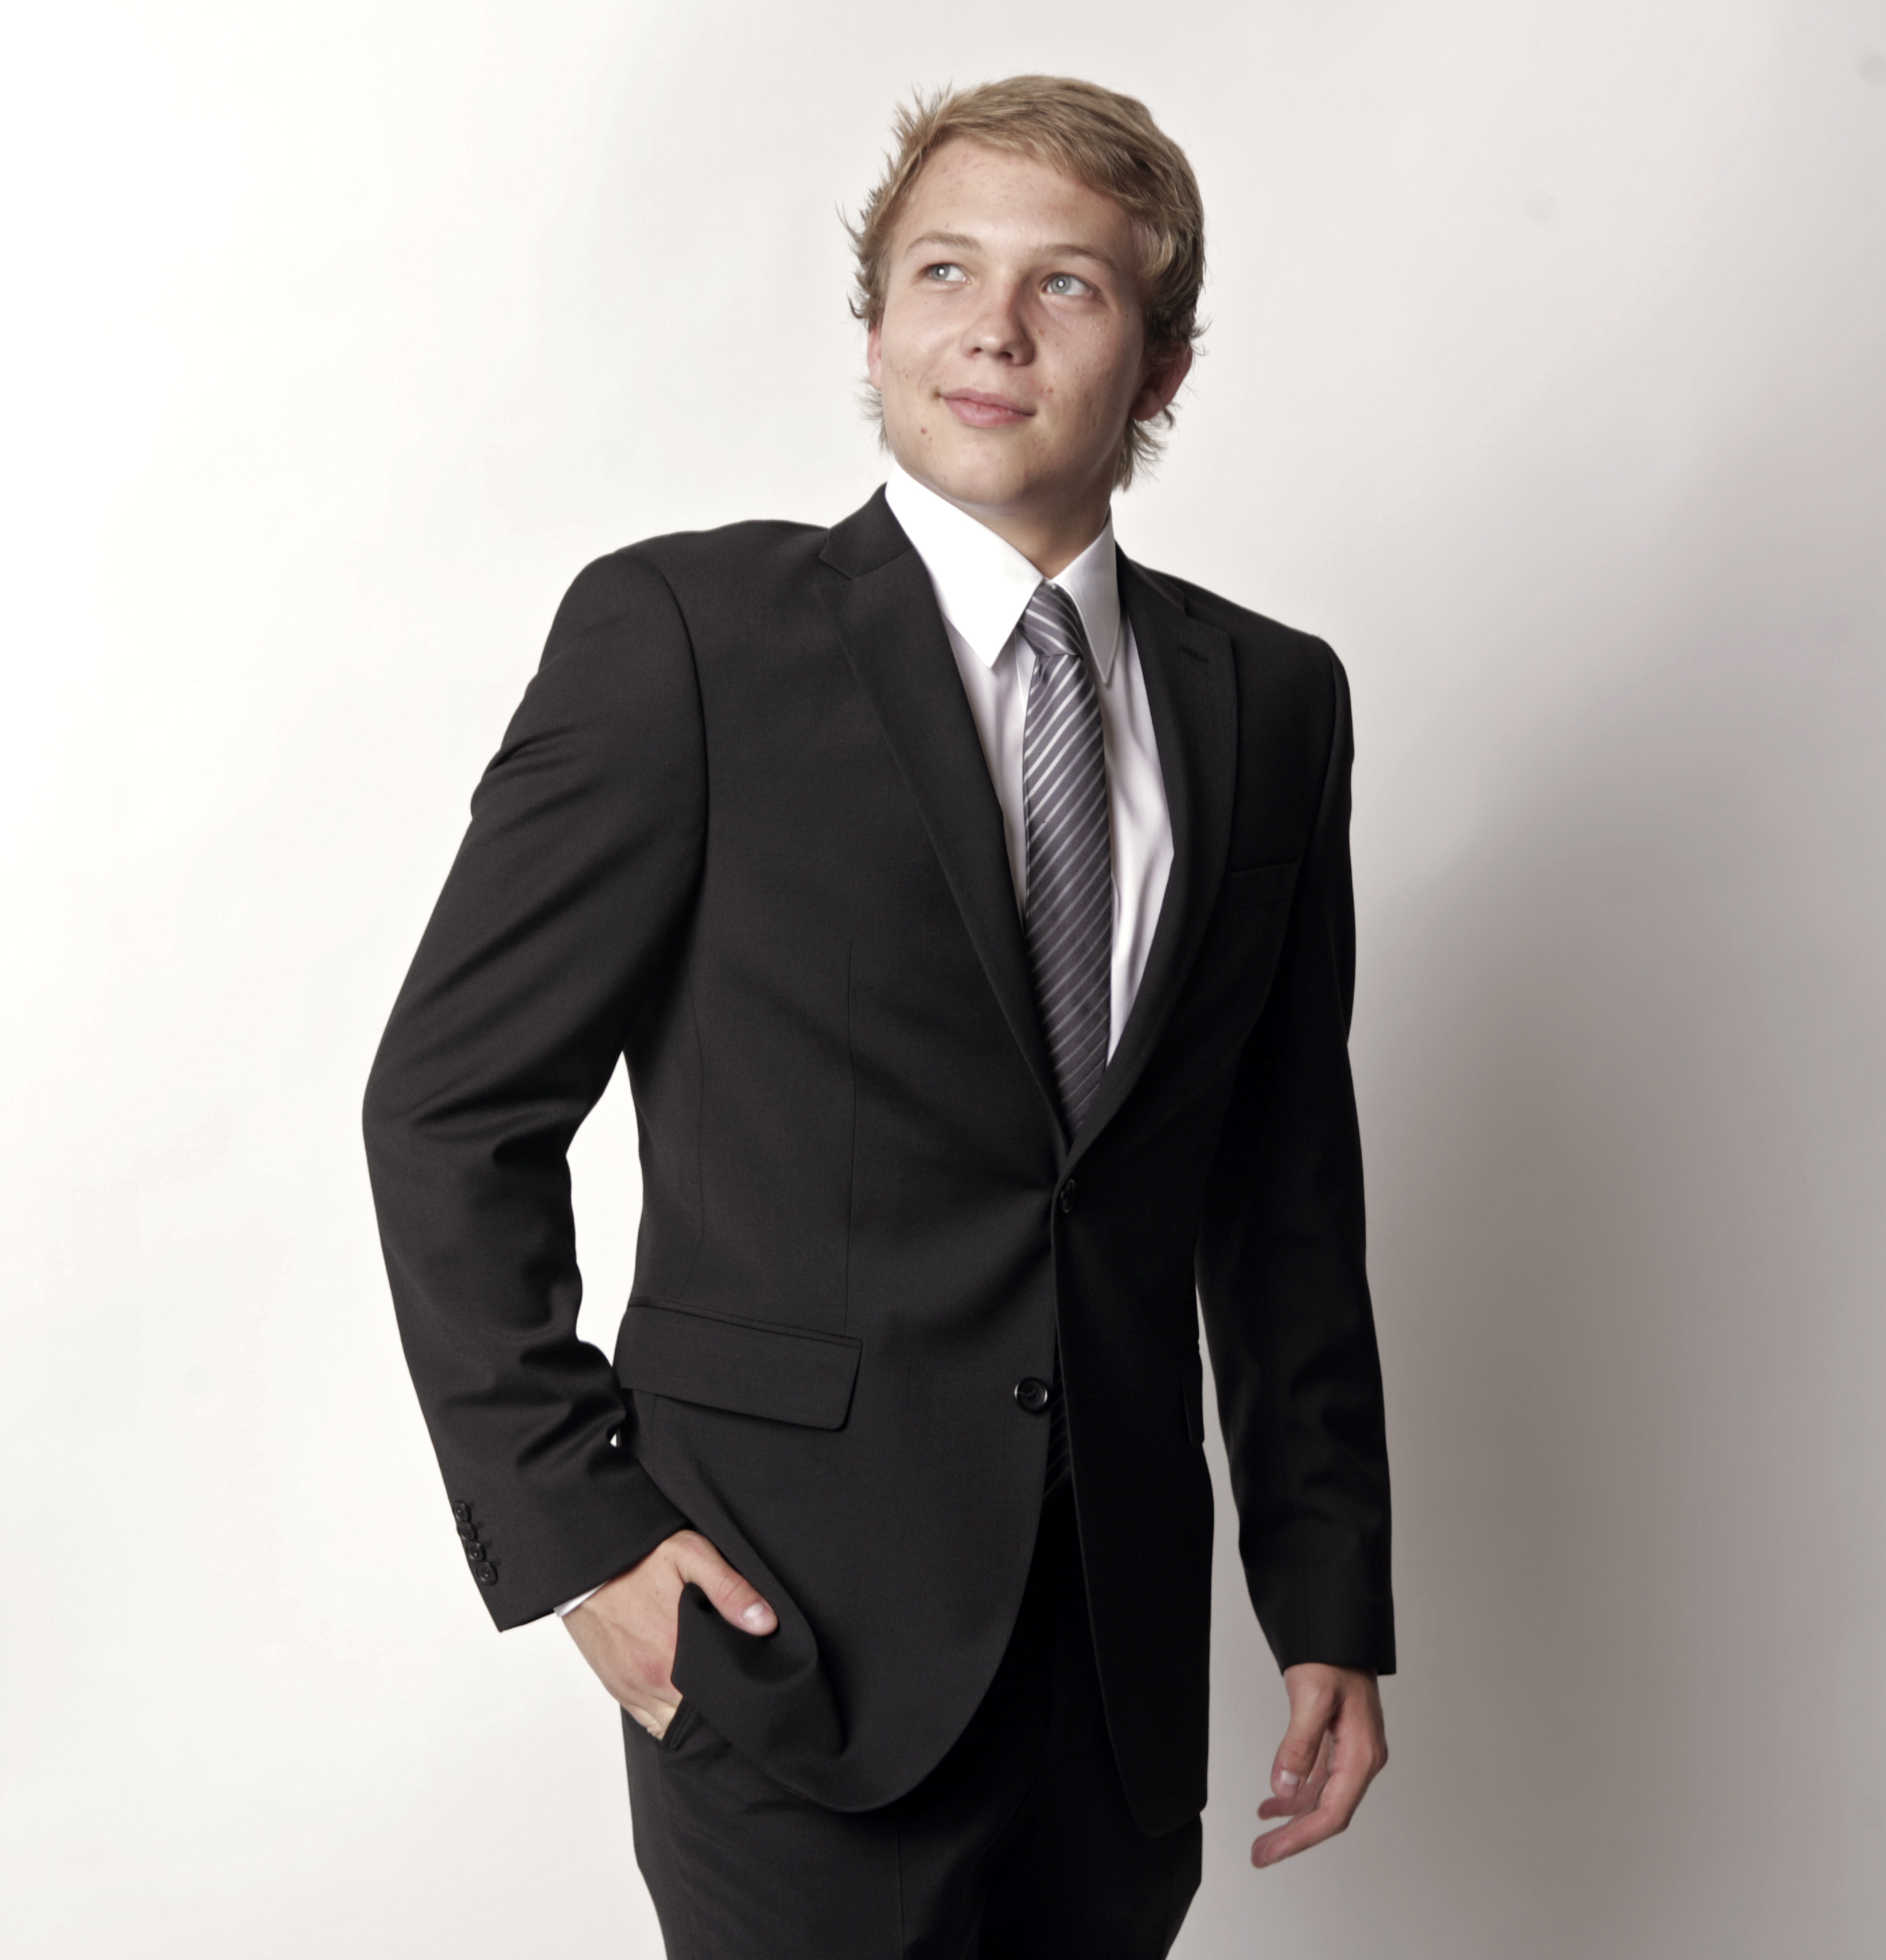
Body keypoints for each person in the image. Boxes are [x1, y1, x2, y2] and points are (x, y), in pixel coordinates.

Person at [361, 75, 1394, 1956]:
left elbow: (1281, 1185)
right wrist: (583, 1535)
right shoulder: (687, 640)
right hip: (783, 1642)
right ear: (876, 328)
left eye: (1066, 284)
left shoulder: (1271, 702)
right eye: (943, 271)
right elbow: (449, 1110)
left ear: (1162, 365)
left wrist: (1327, 1594)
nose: (994, 328)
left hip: (1115, 1672)